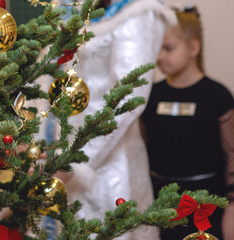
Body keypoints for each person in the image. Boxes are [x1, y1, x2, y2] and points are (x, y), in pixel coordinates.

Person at [53, 0, 177, 239]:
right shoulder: (80, 6)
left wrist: (77, 160)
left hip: (106, 163)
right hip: (62, 154)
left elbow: (128, 97)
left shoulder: (138, 11)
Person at [141, 6, 234, 240]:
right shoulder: (151, 96)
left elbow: (232, 154)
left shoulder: (218, 96)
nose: (160, 56)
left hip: (206, 204)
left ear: (193, 47)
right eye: (157, 48)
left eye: (168, 48)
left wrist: (232, 207)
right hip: (159, 202)